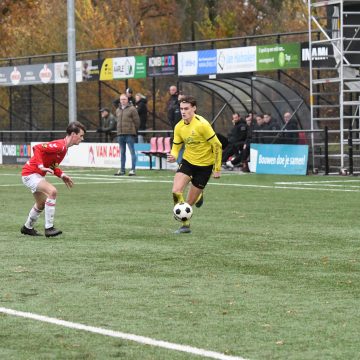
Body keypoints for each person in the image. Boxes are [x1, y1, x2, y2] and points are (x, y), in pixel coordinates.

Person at [167, 95, 222, 234]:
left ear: (194, 109)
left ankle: (198, 195)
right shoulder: (179, 126)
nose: (183, 111)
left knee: (188, 204)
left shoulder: (202, 125)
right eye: (181, 109)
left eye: (186, 108)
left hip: (205, 166)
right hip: (188, 162)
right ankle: (185, 226)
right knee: (176, 191)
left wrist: (217, 168)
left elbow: (217, 145)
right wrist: (173, 155)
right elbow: (176, 146)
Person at [20, 121, 86, 237]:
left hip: (35, 175)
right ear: (73, 134)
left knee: (41, 204)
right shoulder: (60, 145)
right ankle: (49, 228)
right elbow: (37, 148)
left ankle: (27, 227)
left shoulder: (64, 148)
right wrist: (40, 165)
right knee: (52, 191)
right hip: (30, 173)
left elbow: (53, 165)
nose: (82, 138)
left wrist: (62, 175)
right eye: (81, 135)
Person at [115, 93, 140, 176]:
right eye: (121, 99)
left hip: (129, 134)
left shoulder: (132, 109)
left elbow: (137, 121)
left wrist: (133, 130)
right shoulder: (117, 110)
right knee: (122, 153)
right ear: (119, 100)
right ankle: (122, 170)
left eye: (124, 99)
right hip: (120, 134)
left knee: (132, 152)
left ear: (127, 100)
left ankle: (133, 170)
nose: (123, 101)